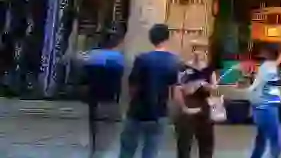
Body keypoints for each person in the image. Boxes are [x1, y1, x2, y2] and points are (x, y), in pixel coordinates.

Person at [119, 24, 181, 158]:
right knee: (151, 151)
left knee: (127, 150)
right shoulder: (174, 61)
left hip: (137, 111)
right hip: (159, 112)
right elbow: (174, 89)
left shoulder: (142, 59)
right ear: (167, 39)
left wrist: (127, 107)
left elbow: (132, 87)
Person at [82, 32, 126, 157]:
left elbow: (84, 74)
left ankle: (93, 148)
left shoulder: (92, 55)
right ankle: (100, 151)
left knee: (94, 124)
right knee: (107, 129)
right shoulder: (118, 57)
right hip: (110, 96)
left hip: (93, 94)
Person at [174, 41, 218, 158]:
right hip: (189, 106)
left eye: (202, 50)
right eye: (195, 49)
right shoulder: (183, 68)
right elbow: (178, 89)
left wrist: (209, 87)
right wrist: (184, 107)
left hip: (205, 107)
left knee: (206, 142)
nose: (198, 53)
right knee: (184, 142)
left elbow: (214, 89)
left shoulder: (209, 69)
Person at [248, 43, 281, 158]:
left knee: (261, 140)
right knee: (276, 139)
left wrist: (279, 99)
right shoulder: (268, 66)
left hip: (263, 108)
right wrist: (280, 59)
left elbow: (267, 86)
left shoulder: (266, 67)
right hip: (266, 110)